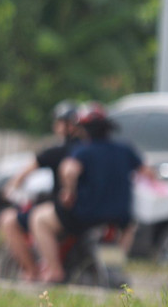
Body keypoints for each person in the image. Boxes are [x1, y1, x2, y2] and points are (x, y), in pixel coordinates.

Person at [31, 103, 150, 283]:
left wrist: (68, 192)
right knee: (129, 228)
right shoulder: (125, 149)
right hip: (120, 217)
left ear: (84, 129)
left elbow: (69, 170)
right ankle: (116, 267)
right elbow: (148, 173)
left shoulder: (82, 151)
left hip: (86, 216)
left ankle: (55, 271)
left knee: (39, 218)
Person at [0, 100, 82, 281]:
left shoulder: (57, 151)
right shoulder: (89, 149)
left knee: (10, 220)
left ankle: (34, 272)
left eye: (58, 122)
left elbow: (25, 172)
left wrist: (10, 187)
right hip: (88, 210)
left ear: (66, 125)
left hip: (65, 211)